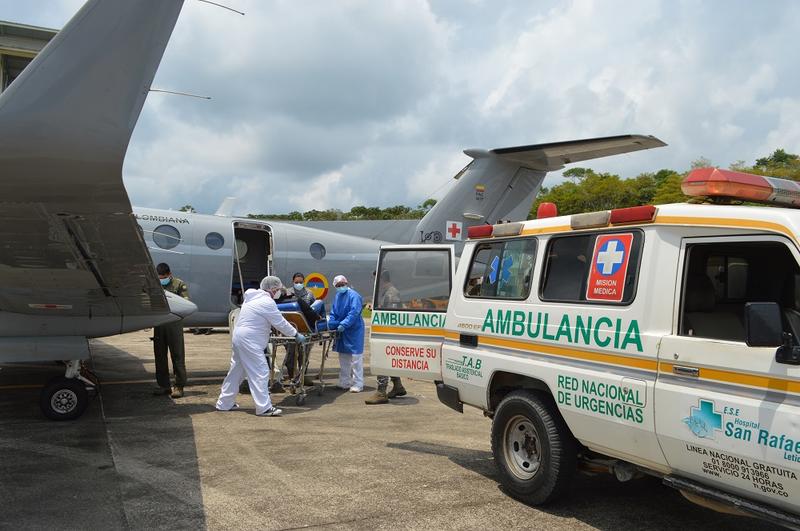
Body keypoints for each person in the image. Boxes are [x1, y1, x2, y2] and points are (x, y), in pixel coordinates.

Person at [216, 276, 306, 417]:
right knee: (261, 372)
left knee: (236, 372)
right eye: (278, 290)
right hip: (250, 341)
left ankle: (224, 403)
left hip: (240, 337)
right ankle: (264, 408)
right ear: (273, 289)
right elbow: (280, 322)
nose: (279, 293)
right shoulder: (266, 302)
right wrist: (295, 334)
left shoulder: (251, 299)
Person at [365, 270, 406, 404]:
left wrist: (379, 309)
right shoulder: (385, 292)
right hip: (387, 331)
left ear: (381, 279)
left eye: (375, 279)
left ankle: (381, 392)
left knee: (381, 359)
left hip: (389, 332)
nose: (374, 282)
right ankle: (398, 386)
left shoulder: (392, 293)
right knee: (389, 360)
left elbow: (392, 314)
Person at [273, 273, 315, 391]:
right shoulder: (287, 293)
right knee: (290, 355)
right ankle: (292, 377)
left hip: (305, 329)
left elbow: (312, 310)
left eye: (301, 282)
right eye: (296, 282)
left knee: (303, 355)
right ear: (293, 281)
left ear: (304, 282)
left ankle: (302, 377)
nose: (298, 284)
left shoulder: (309, 294)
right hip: (290, 329)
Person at [153, 263, 189, 398]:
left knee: (177, 356)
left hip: (174, 325)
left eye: (163, 277)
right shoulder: (155, 285)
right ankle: (164, 386)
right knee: (160, 356)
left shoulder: (179, 284)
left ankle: (179, 386)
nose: (161, 280)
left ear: (169, 274)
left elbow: (185, 303)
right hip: (159, 325)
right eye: (159, 277)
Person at [327, 275, 364, 393]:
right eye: (338, 286)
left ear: (346, 283)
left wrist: (344, 324)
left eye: (342, 284)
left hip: (354, 330)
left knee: (356, 358)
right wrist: (332, 322)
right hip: (341, 330)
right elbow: (333, 312)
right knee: (343, 357)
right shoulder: (338, 296)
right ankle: (345, 382)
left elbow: (354, 312)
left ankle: (358, 383)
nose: (340, 287)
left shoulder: (354, 296)